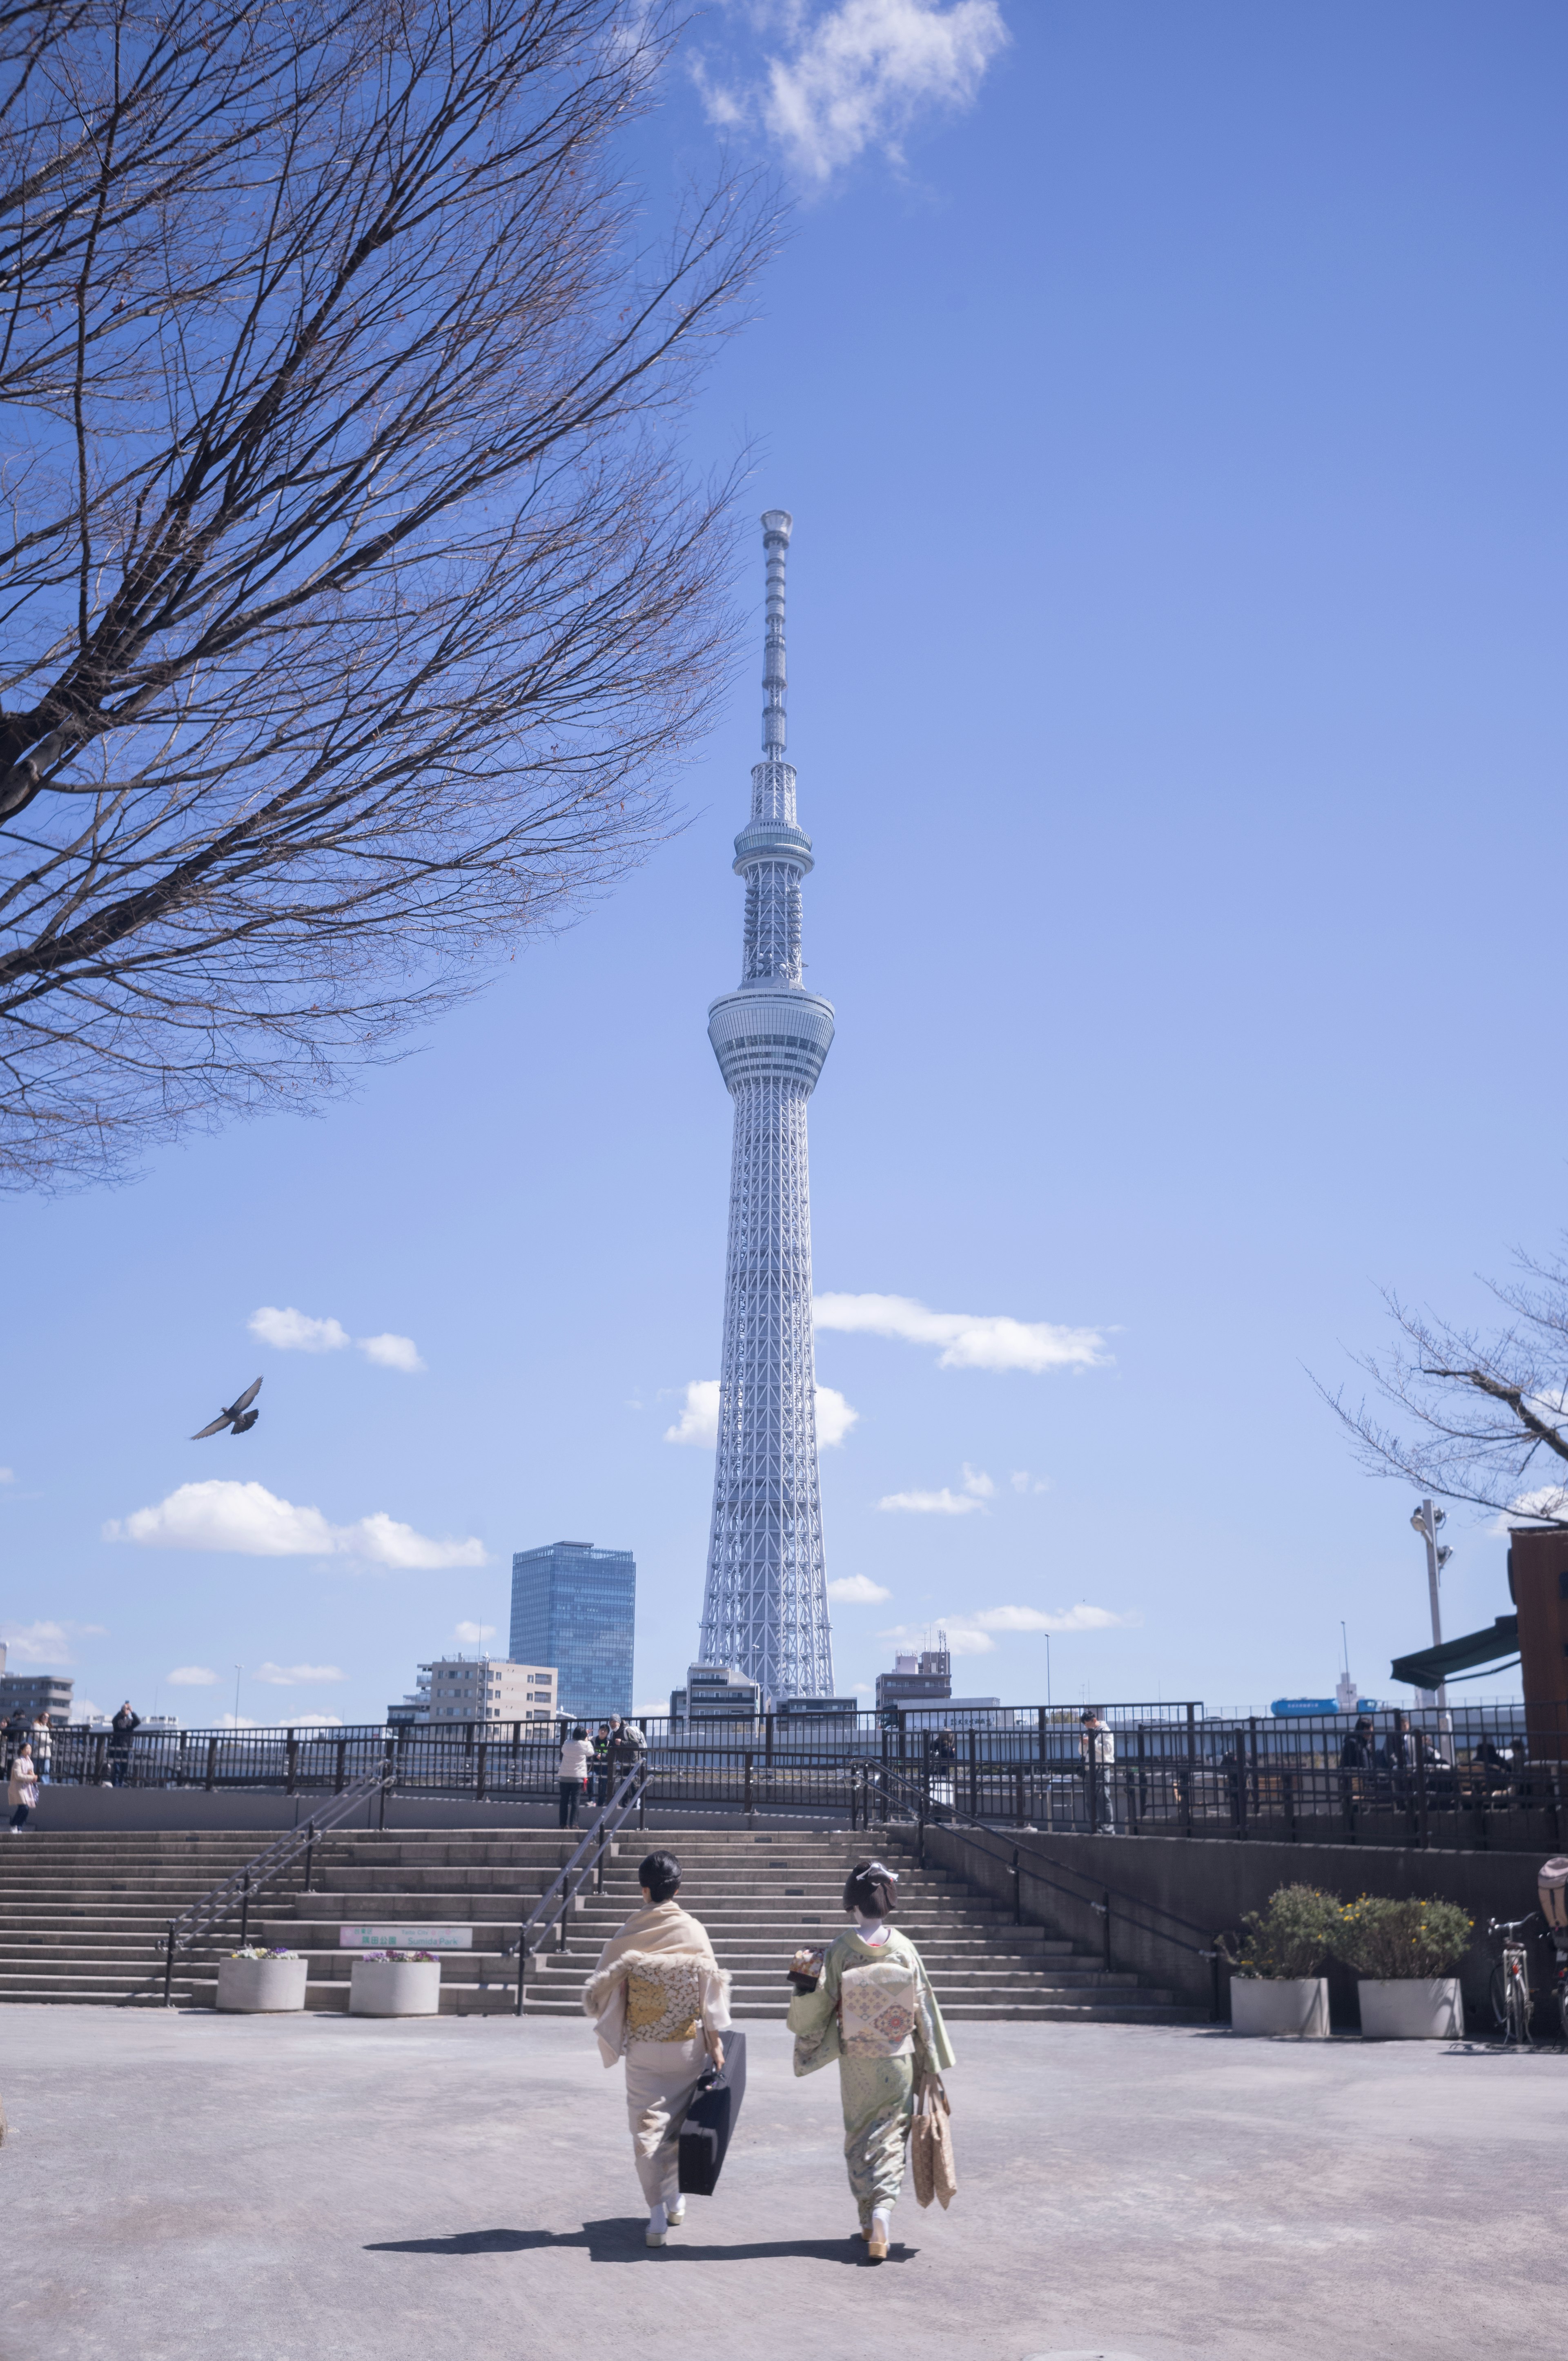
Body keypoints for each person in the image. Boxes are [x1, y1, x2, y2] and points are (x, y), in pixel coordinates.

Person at [786, 1857, 955, 2261]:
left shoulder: (842, 1949)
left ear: (854, 1906)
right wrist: (931, 2062)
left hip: (857, 2058)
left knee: (859, 2134)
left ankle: (868, 2218)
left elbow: (819, 2005)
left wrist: (803, 1989)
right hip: (899, 2057)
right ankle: (882, 2212)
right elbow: (923, 2010)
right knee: (892, 2137)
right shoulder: (905, 1949)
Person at [581, 1849, 731, 2248]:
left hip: (645, 2045)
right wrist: (715, 2042)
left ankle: (656, 2216)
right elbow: (711, 1991)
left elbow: (601, 1984)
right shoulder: (694, 1930)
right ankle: (677, 2197)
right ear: (677, 1888)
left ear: (644, 1889)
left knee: (647, 2131)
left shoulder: (630, 1930)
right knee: (679, 2128)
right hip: (686, 2045)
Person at [1080, 1710, 1116, 1833]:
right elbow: (1082, 1752)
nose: (1086, 1726)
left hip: (1102, 1768)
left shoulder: (1106, 1731)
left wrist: (1092, 1742)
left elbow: (1109, 1750)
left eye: (1088, 1724)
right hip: (1089, 1769)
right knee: (1089, 1800)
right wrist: (1083, 1743)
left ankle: (1108, 1830)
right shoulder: (1088, 1732)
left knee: (1103, 1798)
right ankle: (1095, 1828)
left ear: (1094, 1720)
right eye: (1085, 1725)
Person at [558, 1724, 594, 1829]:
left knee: (564, 1801)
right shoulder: (585, 1745)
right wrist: (587, 1740)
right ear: (584, 1736)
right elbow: (591, 1753)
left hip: (564, 1777)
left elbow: (563, 1750)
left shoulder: (567, 1743)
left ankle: (563, 1824)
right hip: (577, 1778)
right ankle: (574, 1824)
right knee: (575, 1801)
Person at [109, 1701, 141, 1787]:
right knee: (117, 1767)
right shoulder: (118, 1721)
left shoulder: (131, 1722)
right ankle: (116, 1784)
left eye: (127, 1709)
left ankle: (120, 1783)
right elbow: (114, 1721)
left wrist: (132, 1711)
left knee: (124, 1768)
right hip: (118, 1746)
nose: (127, 1710)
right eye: (126, 1709)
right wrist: (122, 1711)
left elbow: (138, 1722)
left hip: (128, 1747)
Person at [8, 1743, 37, 1834]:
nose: (29, 1750)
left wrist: (33, 1777)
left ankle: (19, 1827)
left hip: (27, 1788)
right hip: (19, 1788)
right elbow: (18, 1776)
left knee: (27, 1808)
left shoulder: (30, 1762)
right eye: (26, 1748)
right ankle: (14, 1825)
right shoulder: (18, 1762)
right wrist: (31, 1777)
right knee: (24, 1807)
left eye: (30, 1748)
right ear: (22, 1750)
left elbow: (31, 1773)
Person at [29, 1713, 52, 1785]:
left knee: (46, 1770)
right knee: (34, 1770)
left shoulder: (47, 1728)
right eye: (45, 1717)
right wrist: (50, 1741)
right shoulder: (36, 1725)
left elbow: (41, 1739)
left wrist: (46, 1740)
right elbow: (38, 1737)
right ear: (41, 1717)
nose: (46, 1719)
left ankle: (45, 1785)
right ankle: (31, 1783)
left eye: (48, 1718)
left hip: (46, 1752)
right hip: (37, 1751)